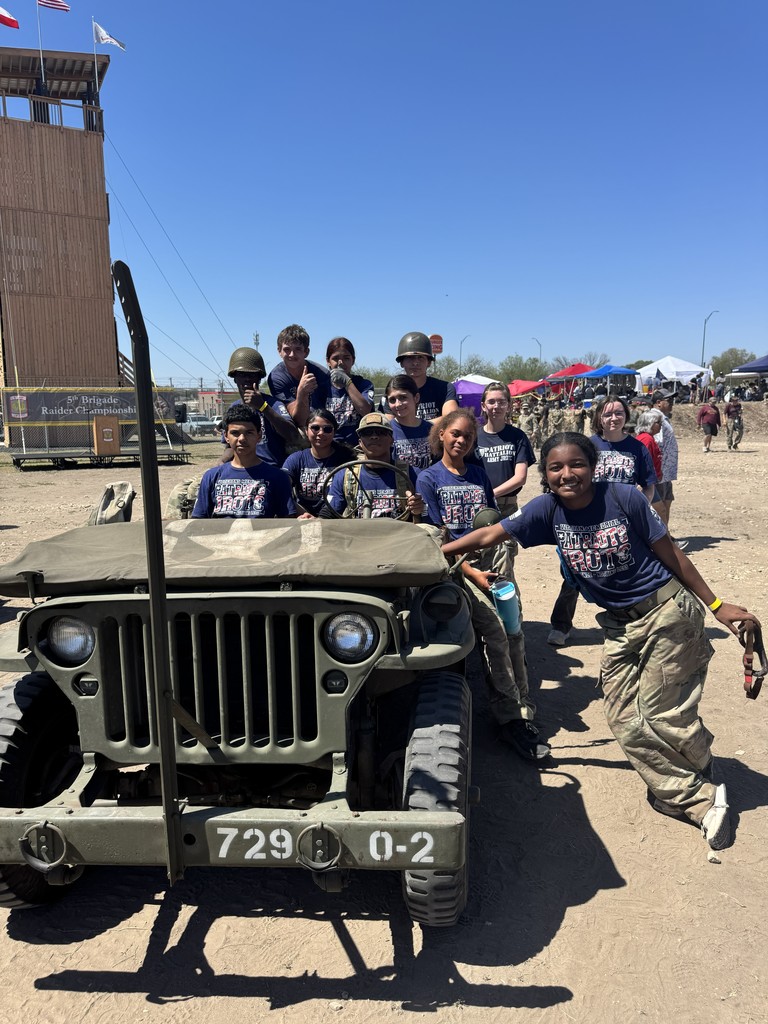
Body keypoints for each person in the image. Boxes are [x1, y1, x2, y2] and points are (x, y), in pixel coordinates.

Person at [441, 431, 760, 851]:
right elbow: (487, 535)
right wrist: (437, 549)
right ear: (546, 474)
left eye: (577, 464)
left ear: (593, 467)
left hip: (667, 613)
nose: (567, 474)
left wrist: (717, 604)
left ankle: (699, 797)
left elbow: (672, 555)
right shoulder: (546, 511)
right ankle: (692, 775)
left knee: (662, 714)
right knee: (624, 720)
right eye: (555, 467)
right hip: (618, 627)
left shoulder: (624, 498)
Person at [418, 410, 550, 762]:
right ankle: (509, 718)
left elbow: (492, 524)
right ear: (442, 434)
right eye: (456, 434)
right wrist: (472, 574)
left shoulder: (477, 475)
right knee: (493, 629)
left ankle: (523, 706)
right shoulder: (428, 479)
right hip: (456, 566)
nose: (462, 441)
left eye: (469, 438)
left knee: (514, 627)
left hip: (492, 561)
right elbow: (434, 542)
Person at [546, 396, 657, 646]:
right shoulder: (587, 445)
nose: (614, 418)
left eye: (618, 413)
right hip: (588, 521)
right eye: (607, 414)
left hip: (624, 525)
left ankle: (627, 625)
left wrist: (640, 509)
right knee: (575, 573)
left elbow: (649, 486)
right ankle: (561, 625)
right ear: (598, 418)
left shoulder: (637, 448)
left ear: (627, 416)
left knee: (626, 572)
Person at [474, 382, 536, 584]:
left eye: (502, 402)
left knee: (505, 564)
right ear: (483, 405)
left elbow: (520, 477)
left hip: (507, 508)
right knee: (478, 560)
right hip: (478, 507)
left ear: (509, 406)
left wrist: (491, 493)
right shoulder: (474, 436)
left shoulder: (517, 437)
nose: (496, 406)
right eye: (491, 402)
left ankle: (510, 614)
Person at [192, 406, 292, 519]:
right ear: (226, 436)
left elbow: (288, 524)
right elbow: (198, 521)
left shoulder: (277, 477)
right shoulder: (211, 477)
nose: (242, 439)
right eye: (235, 433)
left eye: (249, 432)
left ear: (259, 436)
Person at [322, 412, 426, 520]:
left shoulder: (410, 473)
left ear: (391, 440)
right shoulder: (346, 475)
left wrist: (418, 508)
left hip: (399, 535)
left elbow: (425, 512)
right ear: (360, 442)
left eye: (381, 432)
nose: (374, 437)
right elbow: (329, 514)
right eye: (367, 433)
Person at [224, 346, 302, 466]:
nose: (247, 379)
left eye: (252, 375)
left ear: (260, 378)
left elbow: (293, 436)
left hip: (271, 469)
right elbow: (229, 446)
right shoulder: (234, 408)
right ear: (234, 378)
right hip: (244, 470)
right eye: (242, 374)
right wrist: (222, 461)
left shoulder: (273, 404)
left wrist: (263, 407)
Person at [282, 409, 350, 517]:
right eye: (315, 428)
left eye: (327, 429)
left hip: (335, 518)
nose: (321, 433)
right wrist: (305, 515)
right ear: (306, 430)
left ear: (334, 432)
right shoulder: (296, 459)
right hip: (302, 518)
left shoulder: (346, 459)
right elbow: (281, 488)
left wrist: (320, 520)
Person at [379, 332, 458, 420]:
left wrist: (417, 426)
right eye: (410, 358)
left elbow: (451, 420)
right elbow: (391, 425)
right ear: (401, 362)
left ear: (429, 362)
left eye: (420, 357)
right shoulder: (394, 391)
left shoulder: (445, 388)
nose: (415, 363)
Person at [267, 324, 330, 428]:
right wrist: (302, 393)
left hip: (322, 424)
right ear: (279, 351)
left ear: (306, 352)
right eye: (287, 349)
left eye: (298, 349)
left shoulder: (322, 374)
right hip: (297, 428)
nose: (292, 354)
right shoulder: (277, 378)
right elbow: (298, 419)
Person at [324, 337, 374, 445]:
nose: (341, 363)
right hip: (329, 447)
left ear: (353, 360)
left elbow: (365, 410)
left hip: (358, 447)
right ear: (328, 361)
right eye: (335, 358)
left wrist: (347, 383)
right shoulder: (322, 386)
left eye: (346, 358)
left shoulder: (363, 384)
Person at [384, 374, 434, 472]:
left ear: (416, 398)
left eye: (403, 397)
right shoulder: (386, 431)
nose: (398, 404)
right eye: (392, 400)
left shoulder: (431, 430)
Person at [649, 389, 679, 534]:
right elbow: (657, 443)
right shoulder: (655, 418)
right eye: (668, 400)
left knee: (667, 501)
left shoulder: (663, 418)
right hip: (660, 472)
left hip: (665, 471)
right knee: (659, 506)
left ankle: (666, 534)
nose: (671, 403)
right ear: (658, 403)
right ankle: (662, 538)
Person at [634, 408, 664, 485]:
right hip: (648, 481)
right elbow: (644, 462)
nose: (661, 425)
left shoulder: (649, 437)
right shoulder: (646, 439)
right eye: (658, 422)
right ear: (650, 424)